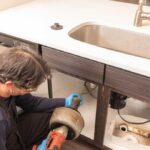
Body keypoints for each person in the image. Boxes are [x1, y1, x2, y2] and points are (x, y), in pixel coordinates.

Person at [0, 47, 82, 150]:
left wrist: (65, 102)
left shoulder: (7, 81)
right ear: (10, 84)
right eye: (28, 89)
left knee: (55, 117)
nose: (31, 91)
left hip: (12, 129)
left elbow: (33, 103)